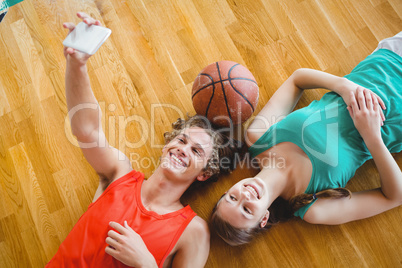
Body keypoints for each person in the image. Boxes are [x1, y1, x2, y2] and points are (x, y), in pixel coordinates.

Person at [46, 12, 235, 267]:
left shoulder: (194, 232)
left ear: (204, 173)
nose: (182, 149)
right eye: (180, 140)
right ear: (167, 145)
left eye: (196, 151)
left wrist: (146, 264)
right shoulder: (118, 173)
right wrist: (77, 65)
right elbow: (87, 130)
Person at [210, 32, 402, 246]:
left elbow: (298, 79)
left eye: (232, 198)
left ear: (228, 190)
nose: (245, 196)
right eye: (246, 210)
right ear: (263, 219)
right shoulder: (313, 208)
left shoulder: (257, 137)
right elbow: (394, 196)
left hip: (388, 60)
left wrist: (344, 86)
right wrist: (372, 136)